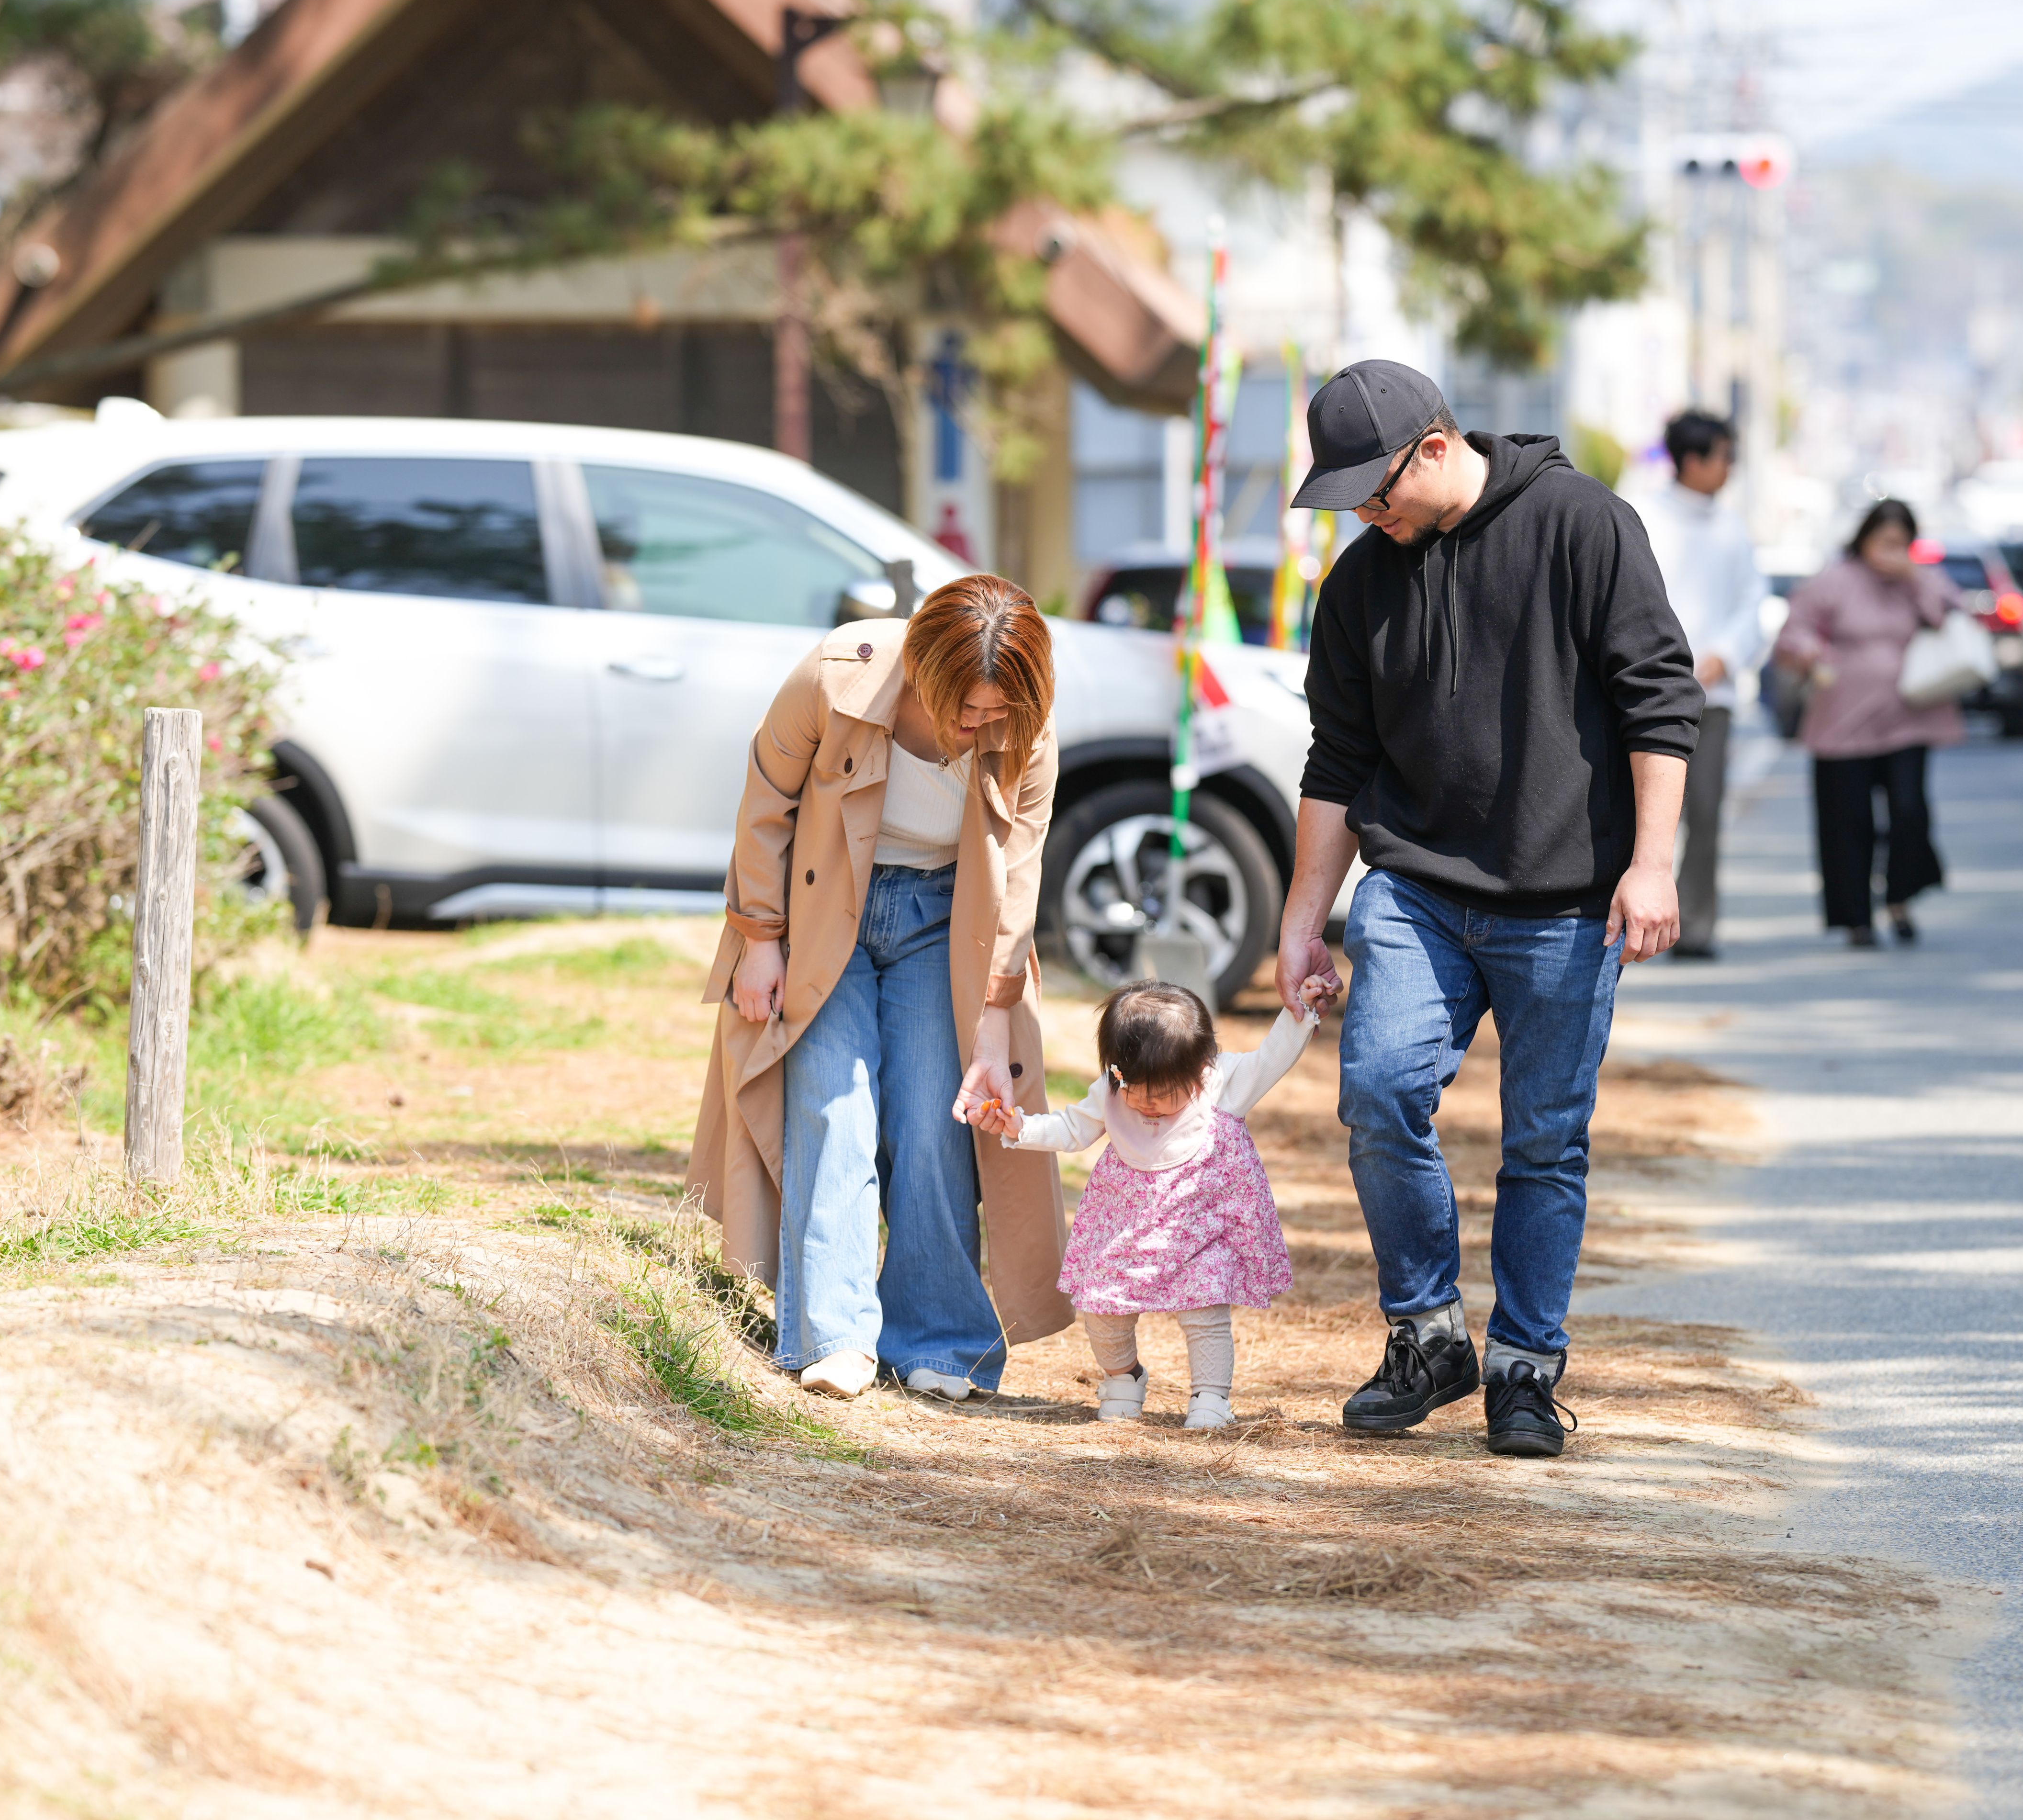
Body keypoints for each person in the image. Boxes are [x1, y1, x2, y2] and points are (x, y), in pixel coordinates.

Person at [1274, 359, 1702, 1460]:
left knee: (1543, 1143)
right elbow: (1335, 763)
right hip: (1412, 890)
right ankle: (1425, 1336)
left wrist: (1652, 866)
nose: (1365, 517)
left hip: (1565, 901)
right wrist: (1299, 920)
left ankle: (1521, 1369)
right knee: (1376, 1091)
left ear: (1431, 445)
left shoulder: (1583, 526)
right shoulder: (1361, 584)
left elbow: (1659, 698)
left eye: (1375, 491)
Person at [687, 575, 1070, 1402]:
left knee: (937, 1121)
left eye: (996, 714)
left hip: (946, 920)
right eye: (964, 709)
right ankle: (836, 1335)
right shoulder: (835, 674)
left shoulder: (1027, 730)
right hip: (824, 915)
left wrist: (996, 1023)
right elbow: (765, 804)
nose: (979, 727)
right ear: (920, 669)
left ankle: (937, 1338)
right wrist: (758, 937)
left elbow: (1018, 876)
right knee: (835, 1107)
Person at [978, 975, 1333, 1431]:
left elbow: (1273, 1056)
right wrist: (1019, 1128)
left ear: (1198, 1067)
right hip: (1126, 1231)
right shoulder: (1112, 1090)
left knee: (1205, 1311)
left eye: (1164, 1096)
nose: (1146, 1107)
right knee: (1104, 1308)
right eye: (1135, 1091)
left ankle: (1210, 1397)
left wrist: (1300, 1012)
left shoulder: (1223, 1083)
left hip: (1203, 1228)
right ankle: (1124, 1378)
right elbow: (1072, 1129)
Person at [1772, 498, 1960, 949]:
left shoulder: (1921, 581)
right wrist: (1810, 653)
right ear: (1864, 540)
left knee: (1909, 811)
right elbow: (1793, 631)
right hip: (1843, 722)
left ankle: (1900, 897)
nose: (1891, 552)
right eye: (1884, 542)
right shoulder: (1834, 582)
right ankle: (1856, 917)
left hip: (1908, 719)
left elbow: (1949, 617)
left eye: (1901, 543)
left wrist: (1914, 577)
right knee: (1847, 820)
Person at [1627, 410, 1766, 960]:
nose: (1730, 468)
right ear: (1692, 460)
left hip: (1713, 697)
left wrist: (1724, 656)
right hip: (1643, 693)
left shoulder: (1733, 528)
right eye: (1724, 456)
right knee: (1633, 812)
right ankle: (1621, 921)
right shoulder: (1642, 517)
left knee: (1705, 813)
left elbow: (1754, 605)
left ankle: (1697, 926)